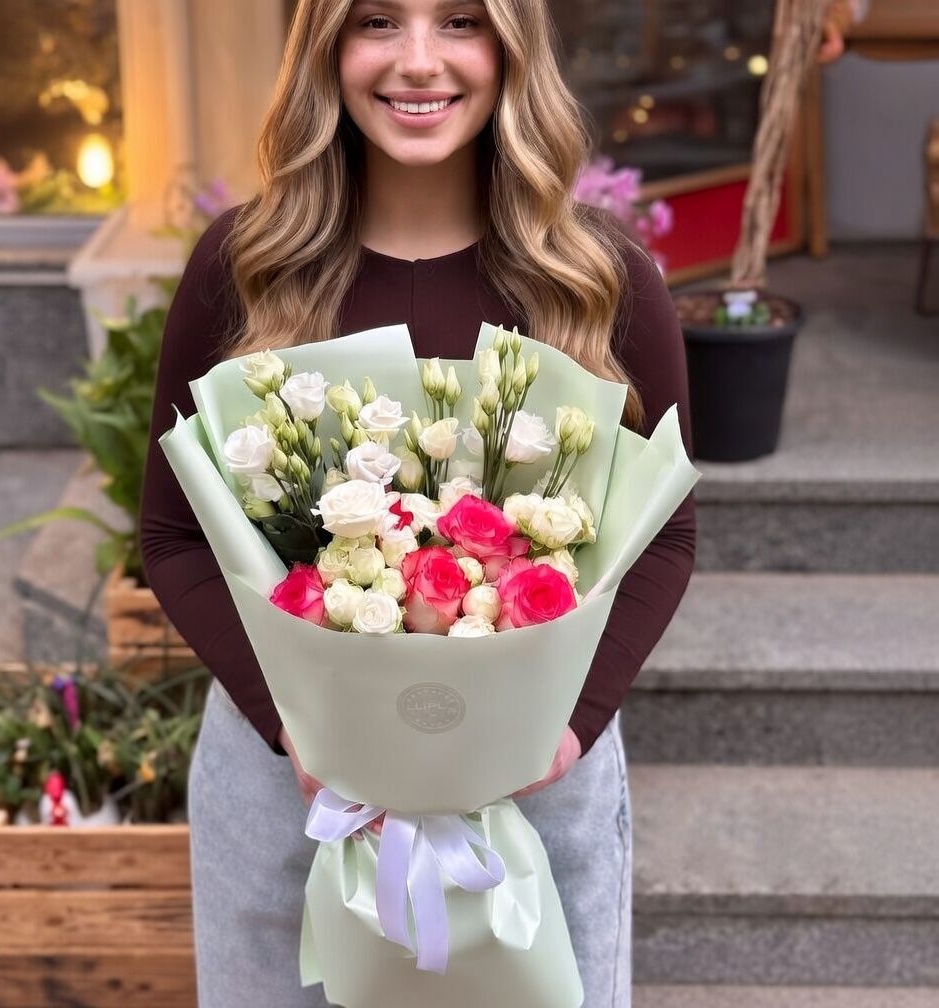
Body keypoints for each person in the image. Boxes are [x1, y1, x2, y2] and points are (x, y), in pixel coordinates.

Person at [139, 1, 696, 1004]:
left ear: (511, 46)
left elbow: (664, 538)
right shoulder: (244, 266)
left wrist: (567, 729)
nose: (419, 61)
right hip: (292, 794)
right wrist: (293, 730)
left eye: (460, 21)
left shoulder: (599, 279)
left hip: (534, 791)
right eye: (378, 21)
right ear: (326, 47)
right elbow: (174, 535)